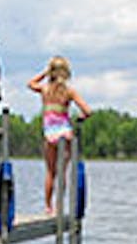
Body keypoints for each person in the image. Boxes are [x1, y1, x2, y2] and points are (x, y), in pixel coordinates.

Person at [27, 56, 93, 214]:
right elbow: (88, 111)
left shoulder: (45, 89)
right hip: (64, 132)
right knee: (62, 172)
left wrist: (45, 73)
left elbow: (30, 84)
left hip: (50, 133)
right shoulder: (69, 91)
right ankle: (60, 205)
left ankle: (48, 206)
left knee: (50, 172)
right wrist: (80, 118)